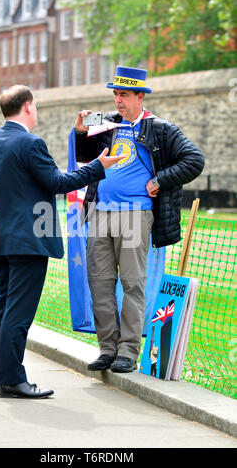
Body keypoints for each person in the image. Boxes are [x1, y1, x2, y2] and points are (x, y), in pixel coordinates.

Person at [0, 85, 124, 399]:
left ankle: (1, 379)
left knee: (3, 309)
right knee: (17, 314)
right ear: (28, 106)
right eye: (36, 105)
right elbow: (57, 182)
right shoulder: (31, 143)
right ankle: (14, 381)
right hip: (28, 240)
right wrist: (98, 167)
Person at [74, 66, 205, 373]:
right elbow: (84, 157)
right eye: (115, 94)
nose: (117, 101)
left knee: (133, 283)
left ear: (139, 96)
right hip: (100, 212)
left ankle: (128, 351)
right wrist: (81, 131)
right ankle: (107, 348)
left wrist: (161, 180)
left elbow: (194, 160)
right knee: (100, 282)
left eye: (124, 95)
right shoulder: (105, 123)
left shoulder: (160, 128)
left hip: (135, 213)